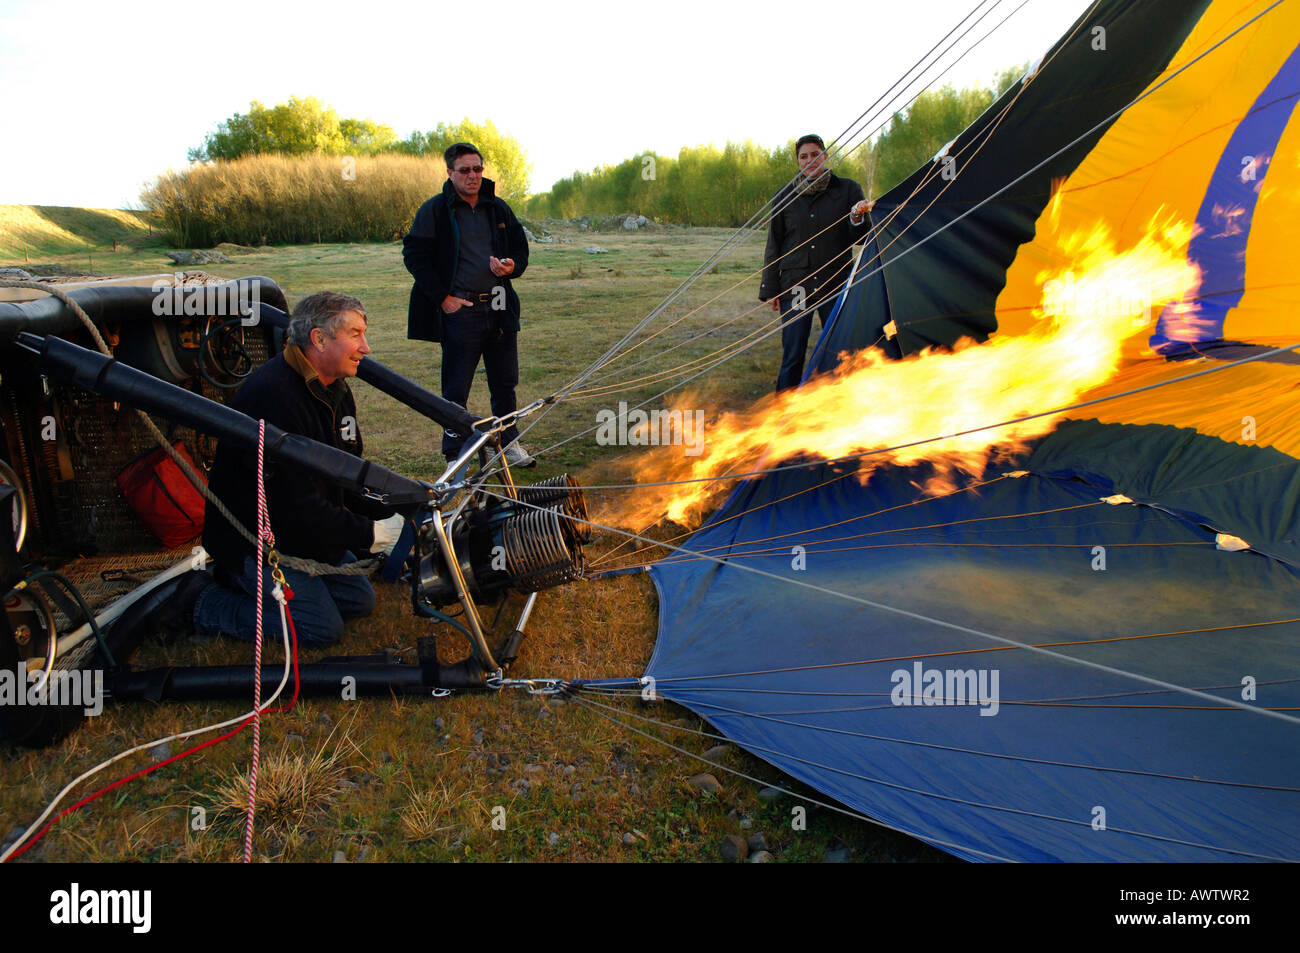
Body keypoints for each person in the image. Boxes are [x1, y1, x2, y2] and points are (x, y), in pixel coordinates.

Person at [171, 291, 405, 647]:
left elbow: (348, 475)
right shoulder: (274, 397)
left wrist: (398, 509)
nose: (366, 348)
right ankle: (204, 603)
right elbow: (291, 508)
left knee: (359, 600)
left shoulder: (334, 390)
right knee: (319, 628)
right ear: (319, 339)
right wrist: (371, 533)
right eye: (355, 334)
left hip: (303, 534)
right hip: (257, 543)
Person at [403, 142, 534, 466]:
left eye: (477, 169)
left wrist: (511, 267)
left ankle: (509, 444)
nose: (473, 176)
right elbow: (414, 256)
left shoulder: (498, 208)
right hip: (462, 313)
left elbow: (520, 250)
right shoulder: (435, 210)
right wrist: (442, 298)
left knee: (505, 384)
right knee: (456, 389)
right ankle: (455, 454)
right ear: (450, 173)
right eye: (465, 170)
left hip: (501, 309)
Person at [759, 134, 874, 392]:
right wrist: (770, 289)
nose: (810, 160)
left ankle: (835, 405)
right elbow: (774, 243)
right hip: (795, 286)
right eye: (803, 156)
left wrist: (856, 219)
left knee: (839, 348)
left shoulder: (847, 190)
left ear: (825, 156)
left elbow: (863, 237)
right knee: (793, 351)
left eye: (815, 154)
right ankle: (782, 410)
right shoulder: (784, 196)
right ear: (798, 162)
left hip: (834, 282)